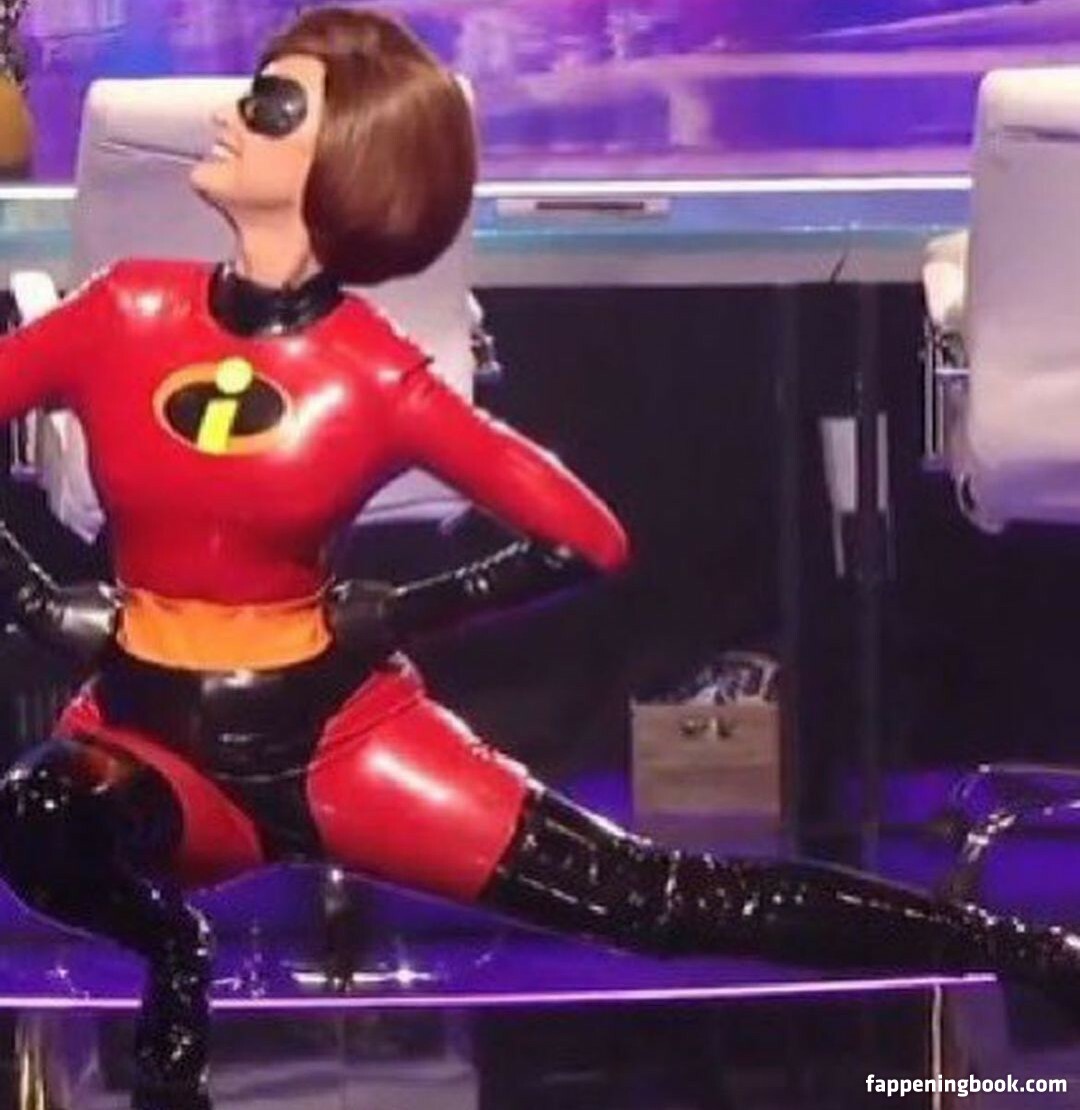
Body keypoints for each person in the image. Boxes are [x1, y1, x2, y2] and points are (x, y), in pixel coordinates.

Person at [0, 9, 1075, 1110]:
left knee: (648, 899)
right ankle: (173, 950)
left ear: (346, 162)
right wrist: (35, 602)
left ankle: (1028, 952)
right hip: (145, 741)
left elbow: (584, 536)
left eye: (273, 104)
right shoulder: (126, 309)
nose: (232, 114)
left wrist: (388, 615)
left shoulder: (375, 374)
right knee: (37, 821)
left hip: (334, 742)